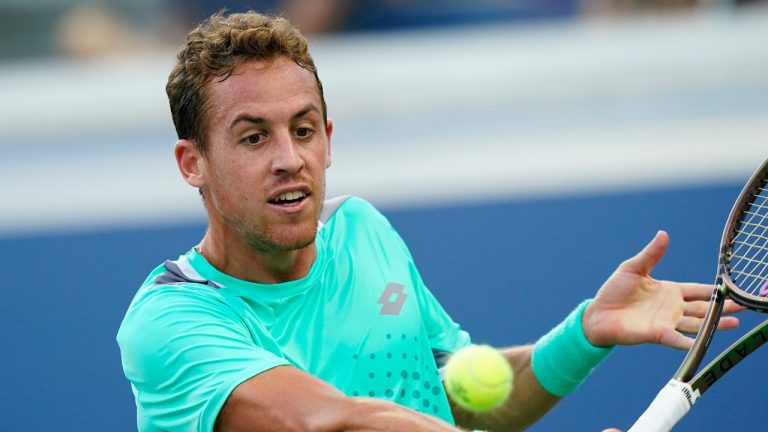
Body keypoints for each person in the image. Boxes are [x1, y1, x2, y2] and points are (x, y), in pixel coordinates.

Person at [116, 10, 742, 432]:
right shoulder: (170, 320)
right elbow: (328, 421)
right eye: (253, 138)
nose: (290, 159)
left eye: (303, 131)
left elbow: (468, 397)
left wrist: (586, 333)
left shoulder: (363, 231)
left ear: (327, 140)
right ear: (192, 163)